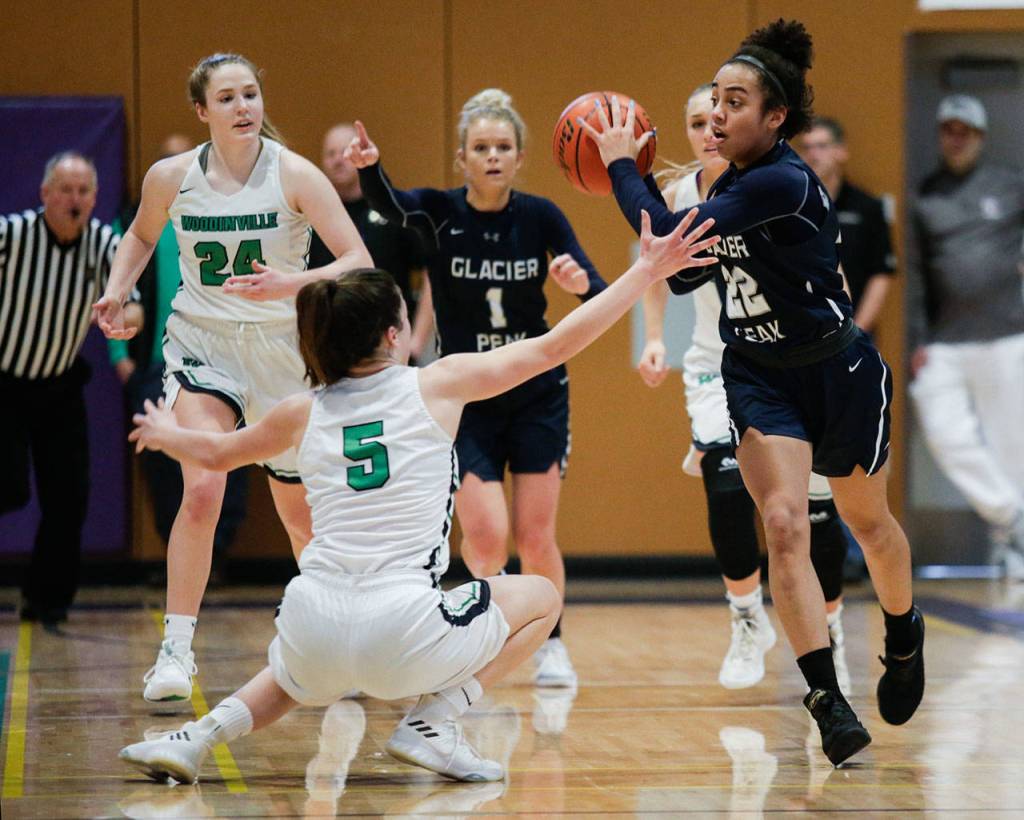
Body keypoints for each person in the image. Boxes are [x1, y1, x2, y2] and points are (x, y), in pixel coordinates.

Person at [117, 214, 720, 785]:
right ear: (393, 334)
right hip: (404, 631)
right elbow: (553, 346)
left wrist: (171, 436)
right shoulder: (437, 383)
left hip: (312, 619)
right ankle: (435, 721)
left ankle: (196, 738)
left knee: (294, 668)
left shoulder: (299, 411)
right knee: (540, 596)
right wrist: (645, 272)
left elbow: (217, 453)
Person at [582, 18, 925, 766]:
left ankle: (904, 635)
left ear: (775, 118)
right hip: (758, 373)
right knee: (782, 523)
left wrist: (618, 164)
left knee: (870, 526)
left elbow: (669, 236)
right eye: (712, 104)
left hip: (836, 370)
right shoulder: (718, 184)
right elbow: (683, 270)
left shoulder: (781, 179)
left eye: (734, 103)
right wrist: (662, 281)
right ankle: (826, 697)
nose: (716, 117)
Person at [93, 52, 372, 704]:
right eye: (227, 98)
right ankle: (175, 650)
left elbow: (356, 258)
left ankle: (337, 640)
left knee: (302, 516)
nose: (243, 106)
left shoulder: (296, 174)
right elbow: (136, 236)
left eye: (251, 93)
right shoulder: (173, 177)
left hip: (284, 357)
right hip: (202, 347)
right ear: (202, 111)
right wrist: (115, 291)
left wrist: (292, 283)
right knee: (203, 488)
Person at [345, 90, 608, 688]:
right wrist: (368, 167)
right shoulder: (439, 210)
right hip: (469, 399)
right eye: (481, 148)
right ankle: (472, 646)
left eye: (503, 147)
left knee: (537, 535)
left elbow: (599, 294)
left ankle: (552, 644)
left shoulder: (541, 216)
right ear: (462, 158)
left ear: (519, 157)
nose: (493, 156)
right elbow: (389, 202)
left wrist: (576, 285)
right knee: (486, 536)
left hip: (537, 393)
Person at [639, 85, 852, 693]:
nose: (710, 129)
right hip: (717, 363)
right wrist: (656, 337)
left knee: (816, 510)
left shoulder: (773, 184)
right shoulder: (681, 195)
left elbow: (827, 269)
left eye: (719, 117)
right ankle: (745, 617)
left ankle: (830, 626)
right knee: (725, 481)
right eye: (697, 121)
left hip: (796, 361)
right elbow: (656, 271)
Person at [0, 151, 137, 625]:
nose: (74, 200)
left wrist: (122, 318)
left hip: (58, 386)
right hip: (5, 385)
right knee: (11, 489)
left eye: (83, 192)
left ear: (95, 198)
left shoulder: (104, 243)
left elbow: (132, 305)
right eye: (65, 190)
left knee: (69, 498)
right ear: (45, 194)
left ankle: (46, 598)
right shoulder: (12, 234)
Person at [109, 134, 249, 573]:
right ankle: (177, 552)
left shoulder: (224, 212)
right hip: (155, 365)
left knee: (229, 457)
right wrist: (121, 359)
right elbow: (117, 289)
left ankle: (217, 552)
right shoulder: (137, 221)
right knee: (163, 463)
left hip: (224, 361)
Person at [907, 94, 1024, 579]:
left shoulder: (1010, 185)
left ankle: (1012, 549)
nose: (955, 138)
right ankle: (1010, 518)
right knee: (945, 434)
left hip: (1007, 334)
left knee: (1012, 445)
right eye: (947, 129)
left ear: (979, 136)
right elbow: (914, 272)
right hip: (945, 341)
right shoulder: (925, 195)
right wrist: (917, 337)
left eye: (964, 130)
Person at [311, 123, 434, 359]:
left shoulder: (393, 212)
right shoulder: (312, 218)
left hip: (389, 346)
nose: (338, 160)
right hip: (328, 349)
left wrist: (416, 341)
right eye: (330, 153)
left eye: (344, 152)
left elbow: (431, 270)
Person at [798, 117, 896, 335]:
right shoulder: (793, 208)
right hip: (804, 333)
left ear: (841, 151)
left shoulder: (867, 207)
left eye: (822, 146)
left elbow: (881, 273)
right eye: (806, 147)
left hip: (855, 331)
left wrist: (856, 331)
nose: (813, 154)